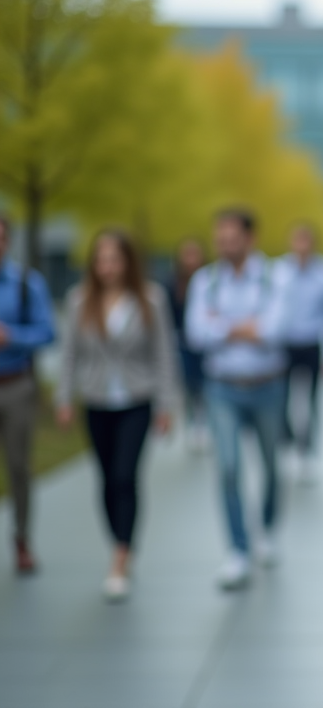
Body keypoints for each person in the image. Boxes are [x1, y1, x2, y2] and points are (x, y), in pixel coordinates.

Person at [55, 230, 181, 601]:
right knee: (107, 479)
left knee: (126, 475)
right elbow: (69, 355)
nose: (108, 267)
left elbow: (164, 354)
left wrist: (166, 405)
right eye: (101, 259)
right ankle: (119, 540)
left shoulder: (150, 300)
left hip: (136, 400)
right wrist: (64, 399)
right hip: (96, 400)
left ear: (128, 262)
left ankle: (121, 556)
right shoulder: (80, 302)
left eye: (115, 259)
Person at [185, 208, 288, 590]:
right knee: (228, 468)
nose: (225, 245)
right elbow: (197, 334)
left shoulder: (275, 276)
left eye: (232, 237)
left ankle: (267, 528)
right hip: (222, 387)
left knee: (272, 466)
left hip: (267, 385)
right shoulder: (206, 281)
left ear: (250, 237)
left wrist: (222, 325)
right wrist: (247, 327)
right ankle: (238, 550)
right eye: (220, 238)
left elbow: (276, 330)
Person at [0, 217, 55, 575]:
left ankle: (22, 539)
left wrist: (13, 337)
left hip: (15, 383)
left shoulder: (26, 284)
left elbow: (49, 331)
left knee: (19, 467)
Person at [275, 223, 323, 483]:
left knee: (312, 402)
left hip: (313, 344)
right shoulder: (278, 273)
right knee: (281, 400)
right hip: (284, 345)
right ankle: (287, 445)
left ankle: (309, 452)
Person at [165, 238, 208, 451]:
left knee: (206, 385)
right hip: (182, 342)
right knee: (189, 385)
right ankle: (193, 425)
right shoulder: (173, 284)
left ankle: (204, 424)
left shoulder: (211, 281)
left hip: (207, 344)